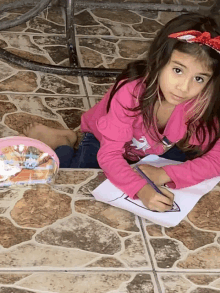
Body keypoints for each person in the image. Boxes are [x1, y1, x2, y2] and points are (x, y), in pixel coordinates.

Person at [22, 12, 220, 212]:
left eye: (199, 79)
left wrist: (165, 174)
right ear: (159, 61)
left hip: (155, 149)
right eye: (178, 70)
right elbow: (109, 155)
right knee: (83, 182)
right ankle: (65, 141)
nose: (184, 88)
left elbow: (216, 159)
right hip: (104, 140)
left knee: (182, 175)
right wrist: (140, 188)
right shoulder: (131, 91)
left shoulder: (204, 102)